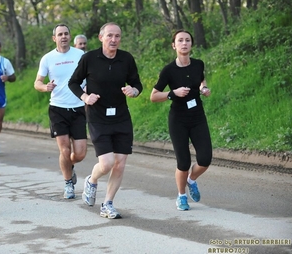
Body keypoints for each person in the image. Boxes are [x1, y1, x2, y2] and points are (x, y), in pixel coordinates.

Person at [68, 22, 143, 219]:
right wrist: (85, 97)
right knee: (107, 162)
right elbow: (73, 82)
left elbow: (137, 83)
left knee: (120, 163)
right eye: (109, 35)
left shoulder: (126, 58)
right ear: (101, 37)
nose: (114, 39)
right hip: (98, 117)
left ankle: (107, 204)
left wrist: (133, 91)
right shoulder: (89, 58)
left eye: (117, 36)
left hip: (121, 117)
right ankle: (92, 180)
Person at [150, 29, 212, 211]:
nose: (184, 43)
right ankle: (181, 196)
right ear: (174, 45)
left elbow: (201, 80)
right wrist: (172, 93)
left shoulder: (198, 64)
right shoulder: (169, 70)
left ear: (191, 44)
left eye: (187, 40)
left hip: (198, 117)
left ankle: (191, 180)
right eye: (180, 40)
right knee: (183, 162)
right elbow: (153, 96)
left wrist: (204, 89)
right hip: (178, 119)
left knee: (205, 158)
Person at [34, 24, 87, 199]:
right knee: (64, 150)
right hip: (58, 108)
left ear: (70, 37)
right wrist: (44, 87)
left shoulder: (80, 55)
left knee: (79, 153)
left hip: (78, 107)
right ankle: (68, 184)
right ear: (54, 38)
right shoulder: (47, 58)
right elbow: (37, 82)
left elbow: (90, 76)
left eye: (66, 34)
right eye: (60, 34)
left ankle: (68, 166)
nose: (63, 36)